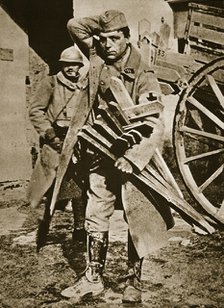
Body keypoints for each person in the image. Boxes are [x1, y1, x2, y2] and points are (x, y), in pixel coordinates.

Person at [60, 10, 174, 303]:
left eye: (115, 38)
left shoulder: (144, 74)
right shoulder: (98, 57)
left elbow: (155, 122)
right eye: (104, 39)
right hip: (100, 152)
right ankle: (93, 278)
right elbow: (75, 25)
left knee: (138, 217)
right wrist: (107, 23)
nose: (108, 44)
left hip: (132, 158)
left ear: (127, 38)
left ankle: (133, 280)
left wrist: (134, 157)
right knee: (95, 213)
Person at [28, 46, 88, 240]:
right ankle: (44, 225)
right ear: (62, 66)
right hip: (55, 139)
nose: (72, 69)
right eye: (68, 65)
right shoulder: (51, 83)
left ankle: (79, 228)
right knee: (50, 185)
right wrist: (51, 136)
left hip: (76, 140)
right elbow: (36, 111)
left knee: (79, 184)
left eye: (75, 65)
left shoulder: (83, 85)